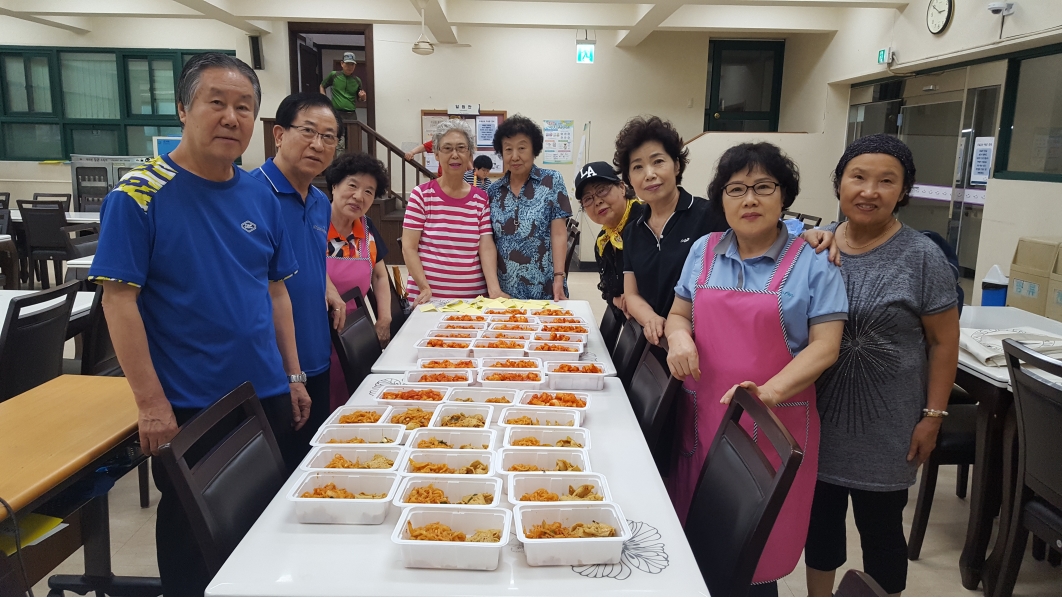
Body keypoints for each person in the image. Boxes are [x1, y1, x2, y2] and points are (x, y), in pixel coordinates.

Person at [87, 53, 310, 597]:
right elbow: (120, 303)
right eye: (217, 102)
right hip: (190, 401)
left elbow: (276, 290)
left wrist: (295, 375)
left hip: (265, 390)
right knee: (194, 532)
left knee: (261, 521)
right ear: (184, 108)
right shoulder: (138, 195)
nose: (231, 117)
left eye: (244, 107)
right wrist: (150, 404)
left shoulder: (259, 190)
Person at [664, 142, 848, 596]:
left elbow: (826, 347)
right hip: (702, 418)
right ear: (721, 199)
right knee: (695, 543)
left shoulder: (814, 263)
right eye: (736, 189)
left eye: (763, 187)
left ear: (783, 196)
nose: (750, 200)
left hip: (772, 424)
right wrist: (679, 336)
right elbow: (677, 313)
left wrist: (768, 392)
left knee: (750, 560)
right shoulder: (705, 251)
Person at [804, 134, 959, 597]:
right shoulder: (817, 247)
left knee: (882, 535)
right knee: (821, 530)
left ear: (902, 191)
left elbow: (943, 341)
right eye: (859, 177)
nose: (870, 191)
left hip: (887, 429)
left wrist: (933, 416)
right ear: (839, 184)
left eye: (886, 181)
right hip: (820, 419)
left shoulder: (922, 256)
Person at [616, 115, 837, 346]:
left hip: (709, 345)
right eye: (638, 167)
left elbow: (761, 237)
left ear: (677, 165)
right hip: (654, 342)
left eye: (658, 161)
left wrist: (805, 237)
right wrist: (652, 319)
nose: (649, 173)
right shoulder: (633, 230)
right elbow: (631, 294)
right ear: (629, 178)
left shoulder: (711, 215)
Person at [250, 92, 347, 462]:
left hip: (315, 349)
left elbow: (305, 260)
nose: (317, 144)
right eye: (308, 131)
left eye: (328, 136)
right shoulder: (251, 195)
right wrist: (291, 374)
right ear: (278, 134)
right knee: (279, 471)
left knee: (311, 461)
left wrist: (330, 289)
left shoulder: (320, 200)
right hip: (275, 365)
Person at [402, 119, 504, 304]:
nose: (454, 155)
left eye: (461, 148)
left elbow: (486, 246)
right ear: (436, 154)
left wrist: (494, 290)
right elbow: (409, 247)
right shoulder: (422, 195)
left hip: (473, 302)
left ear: (469, 154)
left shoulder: (481, 198)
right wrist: (424, 287)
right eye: (447, 148)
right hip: (428, 301)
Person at [324, 152, 394, 409]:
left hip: (354, 330)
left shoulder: (366, 228)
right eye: (352, 185)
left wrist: (384, 318)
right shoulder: (314, 224)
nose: (358, 196)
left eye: (368, 191)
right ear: (334, 185)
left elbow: (379, 275)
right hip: (316, 333)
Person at [486, 114, 572, 300]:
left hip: (545, 285)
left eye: (522, 148)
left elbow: (558, 233)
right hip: (505, 289)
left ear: (534, 150)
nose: (515, 156)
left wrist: (559, 277)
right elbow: (489, 242)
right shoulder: (493, 191)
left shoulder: (552, 181)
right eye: (508, 149)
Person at [573, 160, 643, 324]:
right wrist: (619, 301)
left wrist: (634, 300)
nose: (597, 201)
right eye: (588, 199)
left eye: (602, 190)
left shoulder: (647, 221)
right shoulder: (603, 242)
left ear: (621, 187)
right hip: (634, 327)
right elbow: (609, 291)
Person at [319, 52, 366, 122]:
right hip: (336, 112)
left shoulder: (357, 80)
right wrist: (324, 99)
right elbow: (322, 86)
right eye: (347, 64)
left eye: (352, 64)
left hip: (351, 114)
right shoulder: (334, 75)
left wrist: (363, 97)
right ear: (342, 64)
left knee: (352, 132)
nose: (350, 67)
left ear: (355, 66)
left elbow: (360, 99)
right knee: (335, 132)